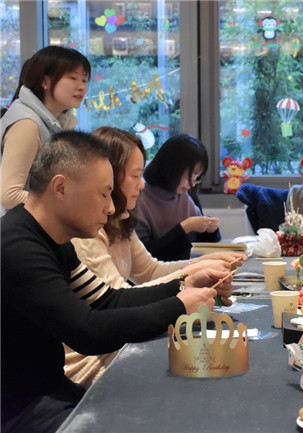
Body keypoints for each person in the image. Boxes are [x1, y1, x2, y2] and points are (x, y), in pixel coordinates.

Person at [1, 130, 233, 433]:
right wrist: (178, 307)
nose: (111, 207)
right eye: (103, 193)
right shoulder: (18, 248)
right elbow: (88, 331)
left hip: (51, 391)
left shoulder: (53, 241)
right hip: (22, 410)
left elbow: (108, 300)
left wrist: (184, 285)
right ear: (61, 187)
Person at [67, 126, 247, 385]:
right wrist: (187, 283)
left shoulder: (120, 219)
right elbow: (116, 299)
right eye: (135, 175)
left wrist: (202, 265)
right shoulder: (85, 232)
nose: (141, 185)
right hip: (94, 357)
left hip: (115, 341)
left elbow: (150, 270)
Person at [0, 45, 90, 209]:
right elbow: (8, 195)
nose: (81, 86)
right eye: (72, 78)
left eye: (84, 80)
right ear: (45, 81)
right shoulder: (27, 124)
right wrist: (62, 205)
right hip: (15, 223)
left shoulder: (54, 121)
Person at [135, 134, 221, 261]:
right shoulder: (139, 199)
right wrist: (185, 228)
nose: (192, 184)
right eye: (190, 176)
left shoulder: (186, 196)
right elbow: (144, 256)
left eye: (197, 177)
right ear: (172, 169)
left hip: (188, 267)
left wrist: (210, 229)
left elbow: (202, 243)